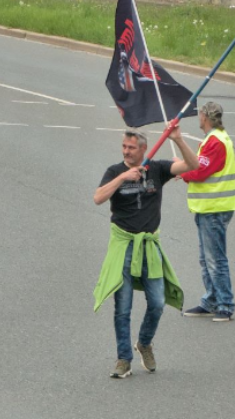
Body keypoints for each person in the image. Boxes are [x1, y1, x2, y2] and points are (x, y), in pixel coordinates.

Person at [92, 130, 192, 379]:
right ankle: (123, 359)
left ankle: (144, 343)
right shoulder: (115, 171)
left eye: (131, 148)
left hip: (149, 246)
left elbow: (193, 165)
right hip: (123, 245)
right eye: (124, 146)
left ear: (143, 149)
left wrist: (178, 139)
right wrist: (123, 177)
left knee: (157, 303)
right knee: (122, 308)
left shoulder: (157, 169)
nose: (126, 151)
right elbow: (98, 198)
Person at [173, 103, 235, 321]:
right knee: (206, 259)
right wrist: (183, 168)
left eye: (200, 114)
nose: (198, 117)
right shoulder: (215, 139)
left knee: (215, 260)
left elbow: (200, 170)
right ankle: (211, 300)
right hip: (210, 207)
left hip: (215, 208)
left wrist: (182, 172)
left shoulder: (215, 142)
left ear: (205, 117)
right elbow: (200, 165)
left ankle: (225, 304)